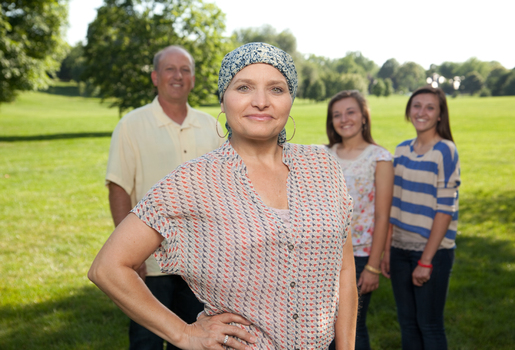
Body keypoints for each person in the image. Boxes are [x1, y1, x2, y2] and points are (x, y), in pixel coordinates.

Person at [89, 42, 358, 350]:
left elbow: (344, 266)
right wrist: (184, 333)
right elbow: (108, 267)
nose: (261, 101)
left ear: (290, 99)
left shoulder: (323, 166)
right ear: (223, 99)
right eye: (244, 87)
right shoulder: (193, 181)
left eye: (276, 89)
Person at [105, 45, 223, 350]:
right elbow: (118, 187)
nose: (178, 76)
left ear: (193, 80)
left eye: (185, 70)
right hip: (151, 260)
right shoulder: (131, 125)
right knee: (146, 342)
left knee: (203, 339)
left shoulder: (212, 126)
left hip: (202, 262)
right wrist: (132, 254)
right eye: (170, 69)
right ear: (156, 77)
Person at [381, 86, 461, 350]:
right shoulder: (402, 150)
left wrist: (426, 261)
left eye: (430, 107)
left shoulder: (445, 151)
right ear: (408, 111)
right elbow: (395, 202)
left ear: (440, 115)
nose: (422, 112)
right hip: (400, 249)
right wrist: (387, 249)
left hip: (433, 251)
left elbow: (445, 209)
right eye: (416, 106)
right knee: (407, 324)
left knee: (429, 325)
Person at [325, 91, 394, 350]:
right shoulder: (322, 155)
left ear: (364, 117)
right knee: (325, 326)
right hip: (325, 253)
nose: (344, 119)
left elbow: (383, 215)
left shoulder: (379, 157)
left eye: (350, 112)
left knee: (352, 326)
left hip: (361, 254)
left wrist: (373, 266)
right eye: (337, 114)